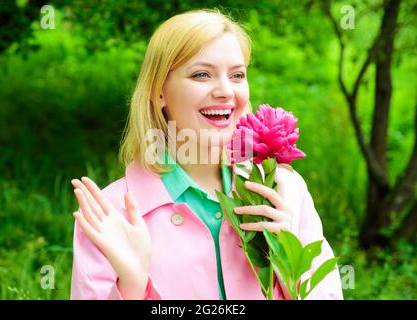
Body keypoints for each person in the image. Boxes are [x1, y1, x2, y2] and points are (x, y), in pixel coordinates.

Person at [69, 9, 343, 300]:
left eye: (237, 75)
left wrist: (289, 259)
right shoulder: (109, 216)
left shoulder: (283, 190)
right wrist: (133, 286)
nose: (226, 90)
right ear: (159, 91)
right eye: (202, 74)